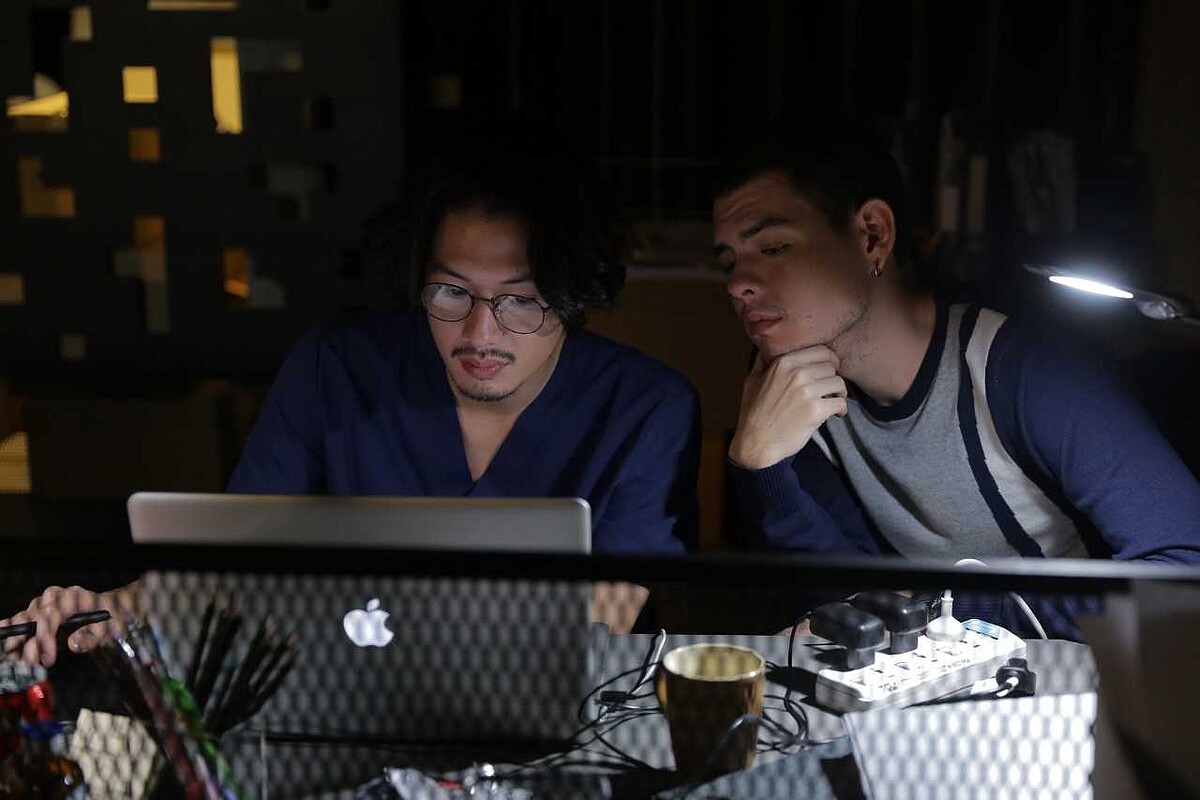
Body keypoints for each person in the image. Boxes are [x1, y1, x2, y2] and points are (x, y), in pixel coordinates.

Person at [5, 137, 701, 665]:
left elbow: (608, 610)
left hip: (543, 722)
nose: (480, 333)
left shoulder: (645, 407)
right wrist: (115, 607)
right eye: (451, 292)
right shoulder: (337, 367)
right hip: (330, 694)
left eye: (520, 300)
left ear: (573, 295)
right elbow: (232, 561)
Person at [714, 116, 1200, 638]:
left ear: (872, 236)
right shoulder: (792, 387)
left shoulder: (1023, 367)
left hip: (1075, 672)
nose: (738, 284)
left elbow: (1182, 574)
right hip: (936, 677)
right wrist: (758, 467)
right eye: (728, 262)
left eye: (773, 248)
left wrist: (936, 610)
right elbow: (841, 599)